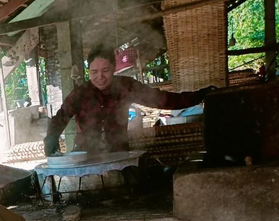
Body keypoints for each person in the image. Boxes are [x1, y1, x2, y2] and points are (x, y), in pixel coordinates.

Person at [44, 45, 215, 156]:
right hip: (86, 155)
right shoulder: (80, 94)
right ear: (89, 71)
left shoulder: (126, 86)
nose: (100, 77)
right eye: (94, 72)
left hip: (119, 153)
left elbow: (162, 100)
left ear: (114, 68)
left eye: (105, 71)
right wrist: (51, 138)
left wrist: (200, 95)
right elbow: (61, 117)